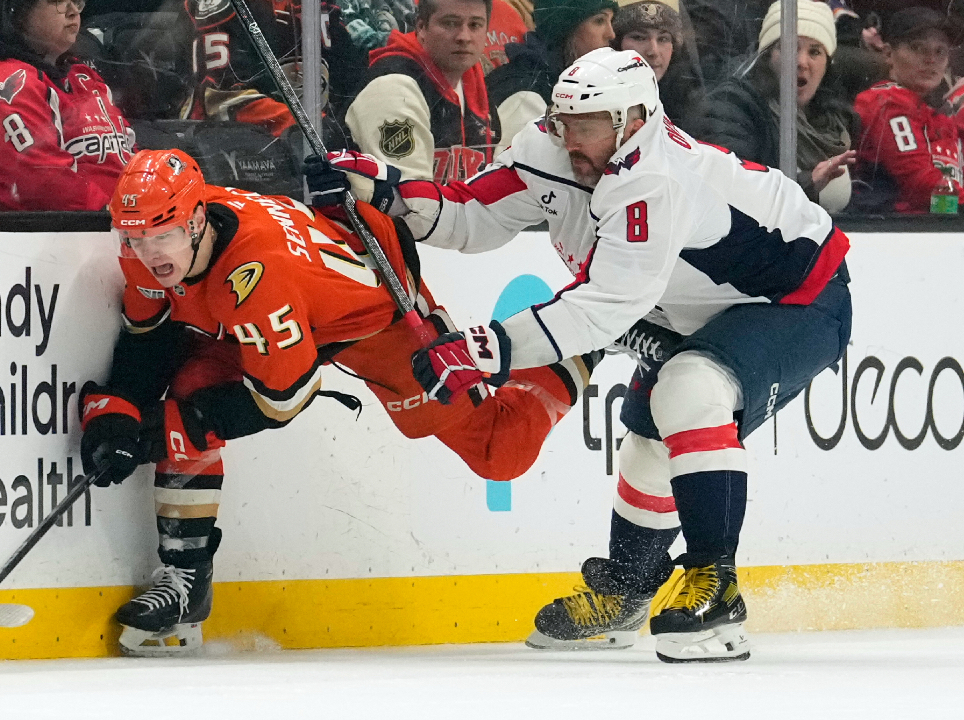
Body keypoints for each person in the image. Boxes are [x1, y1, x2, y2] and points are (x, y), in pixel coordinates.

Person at [312, 48, 851, 662]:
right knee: (651, 441)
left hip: (798, 297)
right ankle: (627, 592)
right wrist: (381, 189)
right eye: (563, 120)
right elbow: (471, 212)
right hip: (685, 305)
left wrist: (484, 349)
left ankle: (717, 588)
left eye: (587, 124)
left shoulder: (657, 179)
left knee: (689, 390)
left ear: (633, 122)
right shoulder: (549, 147)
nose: (569, 138)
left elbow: (603, 308)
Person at [80, 149, 596, 656]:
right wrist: (120, 413)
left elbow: (283, 399)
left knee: (499, 451)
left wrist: (160, 431)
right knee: (194, 383)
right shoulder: (157, 231)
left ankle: (586, 344)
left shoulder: (257, 277)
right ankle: (185, 582)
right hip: (287, 307)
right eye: (134, 239)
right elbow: (148, 337)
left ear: (195, 223)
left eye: (161, 237)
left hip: (374, 310)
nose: (148, 253)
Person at [0, 0, 135, 210]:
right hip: (3, 232)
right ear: (16, 11)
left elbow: (130, 156)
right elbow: (49, 189)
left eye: (77, 1)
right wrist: (132, 217)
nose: (73, 11)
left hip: (104, 225)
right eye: (57, 1)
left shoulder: (82, 76)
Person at [693, 0, 857, 213]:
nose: (801, 62)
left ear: (827, 64)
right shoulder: (731, 109)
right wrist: (808, 184)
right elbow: (735, 195)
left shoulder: (839, 122)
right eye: (790, 47)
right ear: (767, 56)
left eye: (815, 52)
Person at [345, 0, 500, 183]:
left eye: (475, 25)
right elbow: (410, 195)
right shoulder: (393, 86)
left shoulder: (474, 81)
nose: (464, 37)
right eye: (450, 23)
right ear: (421, 27)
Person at [184, 0, 365, 140]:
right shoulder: (223, 6)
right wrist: (316, 127)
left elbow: (352, 78)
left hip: (312, 147)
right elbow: (220, 99)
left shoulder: (318, 6)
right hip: (233, 150)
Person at [853, 7, 963, 214]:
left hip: (938, 228)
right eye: (918, 48)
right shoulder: (885, 102)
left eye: (940, 51)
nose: (931, 60)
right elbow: (921, 185)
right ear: (888, 53)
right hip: (891, 227)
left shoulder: (939, 116)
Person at [487, 0, 617, 147]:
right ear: (564, 27)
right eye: (599, 21)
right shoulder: (525, 92)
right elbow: (520, 160)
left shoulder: (569, 81)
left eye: (611, 21)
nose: (611, 34)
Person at [611, 0, 704, 131]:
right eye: (639, 37)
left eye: (663, 39)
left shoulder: (692, 107)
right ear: (616, 44)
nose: (653, 51)